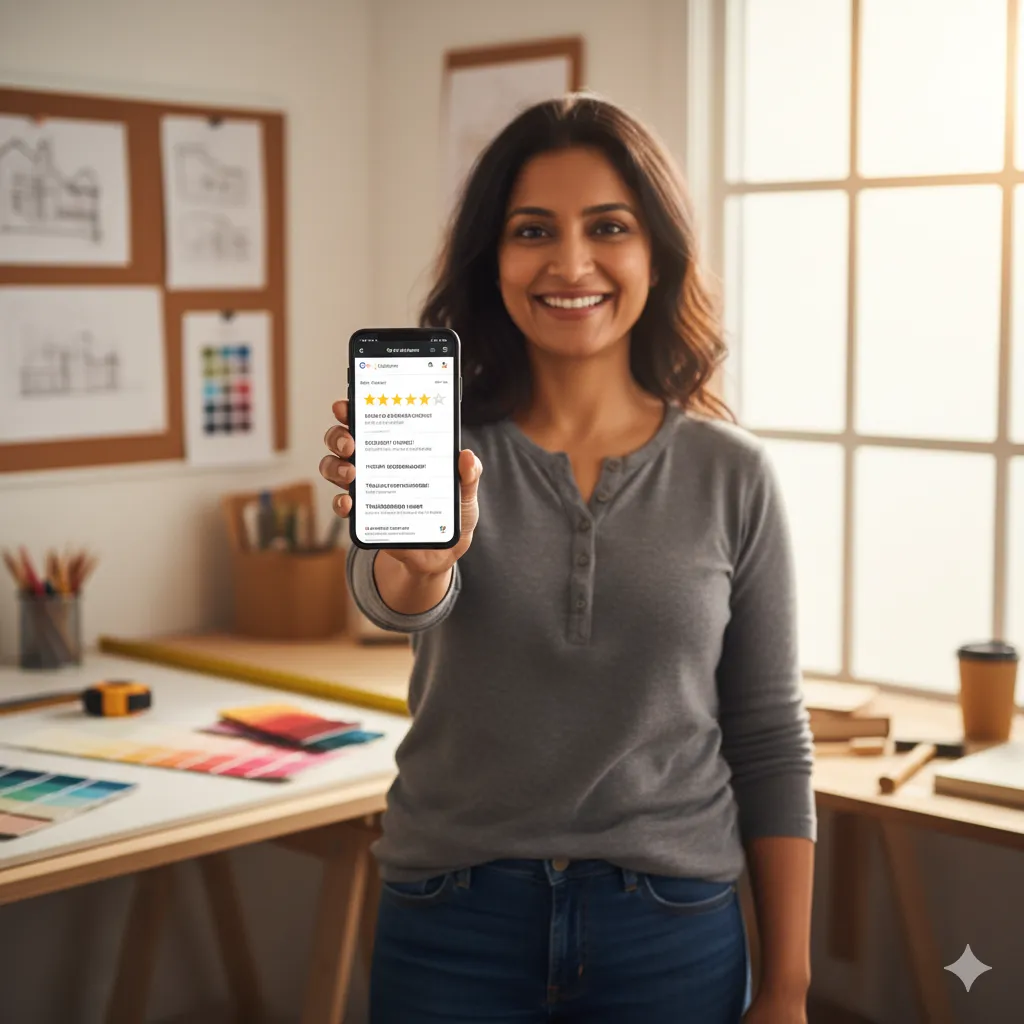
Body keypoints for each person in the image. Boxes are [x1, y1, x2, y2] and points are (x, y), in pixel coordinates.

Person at [320, 93, 816, 1024]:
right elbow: (392, 599)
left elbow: (769, 737)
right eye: (533, 229)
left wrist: (787, 984)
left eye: (609, 227)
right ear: (493, 257)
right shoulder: (437, 441)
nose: (571, 262)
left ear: (656, 251)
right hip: (448, 918)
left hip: (672, 926)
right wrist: (424, 562)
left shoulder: (733, 475)